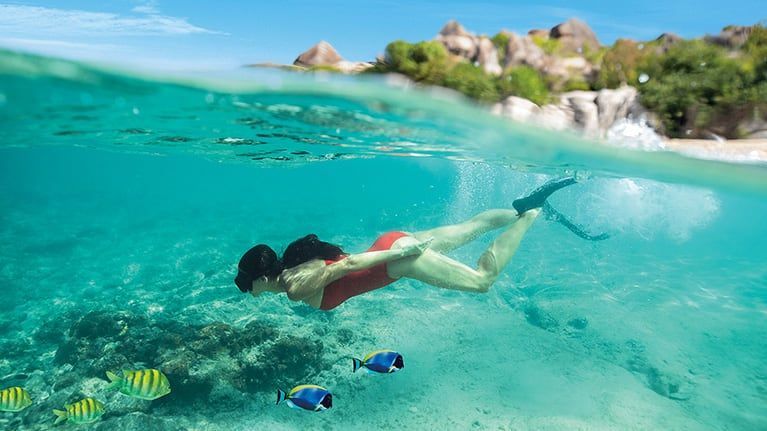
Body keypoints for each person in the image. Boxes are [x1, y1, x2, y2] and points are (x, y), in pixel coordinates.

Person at [234, 178, 604, 310]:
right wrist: (396, 248)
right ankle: (520, 207)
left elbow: (345, 266)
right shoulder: (294, 266)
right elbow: (339, 265)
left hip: (397, 259)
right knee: (469, 227)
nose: (244, 287)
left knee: (481, 281)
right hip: (392, 246)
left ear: (259, 277)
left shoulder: (294, 286)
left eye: (244, 281)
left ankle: (533, 214)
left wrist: (400, 255)